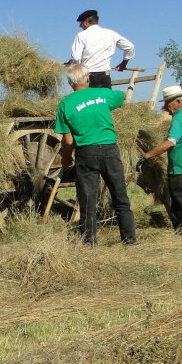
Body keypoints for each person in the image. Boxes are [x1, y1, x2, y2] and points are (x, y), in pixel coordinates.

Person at [55, 63, 137, 246]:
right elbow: (122, 96)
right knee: (120, 196)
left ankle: (89, 241)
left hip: (86, 153)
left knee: (87, 200)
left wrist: (66, 158)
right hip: (109, 150)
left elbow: (68, 141)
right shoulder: (103, 95)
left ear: (70, 82)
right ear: (88, 78)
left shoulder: (65, 104)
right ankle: (129, 240)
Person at [136, 85, 182, 234]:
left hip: (181, 166)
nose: (166, 107)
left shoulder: (179, 117)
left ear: (179, 102)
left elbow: (171, 142)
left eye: (168, 103)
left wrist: (147, 155)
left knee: (180, 200)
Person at [68, 10, 135, 89]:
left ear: (86, 22)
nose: (80, 26)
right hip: (105, 76)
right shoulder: (111, 34)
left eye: (81, 23)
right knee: (105, 100)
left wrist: (76, 67)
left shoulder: (81, 35)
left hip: (88, 77)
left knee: (90, 100)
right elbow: (130, 47)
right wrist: (124, 63)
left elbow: (76, 57)